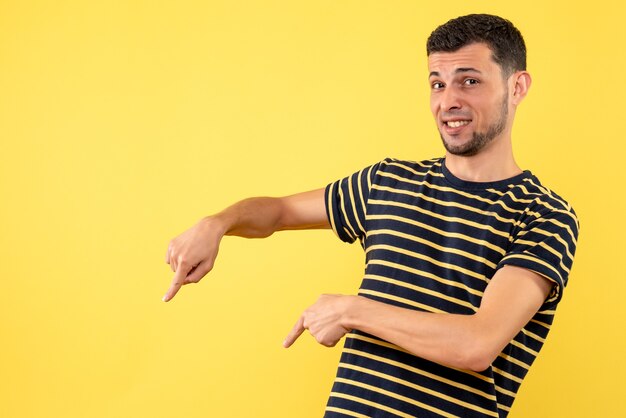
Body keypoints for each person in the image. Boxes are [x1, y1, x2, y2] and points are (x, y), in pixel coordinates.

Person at [163, 14, 579, 418]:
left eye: (470, 81)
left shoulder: (544, 215)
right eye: (437, 84)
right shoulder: (387, 182)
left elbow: (477, 344)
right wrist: (216, 224)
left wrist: (351, 310)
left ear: (517, 86)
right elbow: (279, 211)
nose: (449, 101)